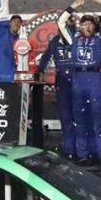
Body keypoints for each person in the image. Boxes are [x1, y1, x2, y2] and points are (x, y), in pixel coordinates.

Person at [58, 0, 101, 167]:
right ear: (80, 26)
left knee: (98, 118)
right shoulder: (73, 40)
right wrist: (73, 6)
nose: (86, 25)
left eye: (90, 23)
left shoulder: (100, 39)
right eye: (83, 23)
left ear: (95, 26)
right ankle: (82, 154)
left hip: (93, 78)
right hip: (77, 79)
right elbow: (61, 22)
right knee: (79, 118)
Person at [38, 19, 76, 158]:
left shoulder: (77, 39)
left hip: (77, 80)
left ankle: (80, 148)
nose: (66, 28)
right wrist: (40, 70)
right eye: (64, 25)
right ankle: (68, 148)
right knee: (65, 115)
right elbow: (46, 56)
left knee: (77, 115)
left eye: (70, 25)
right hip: (62, 81)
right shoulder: (55, 41)